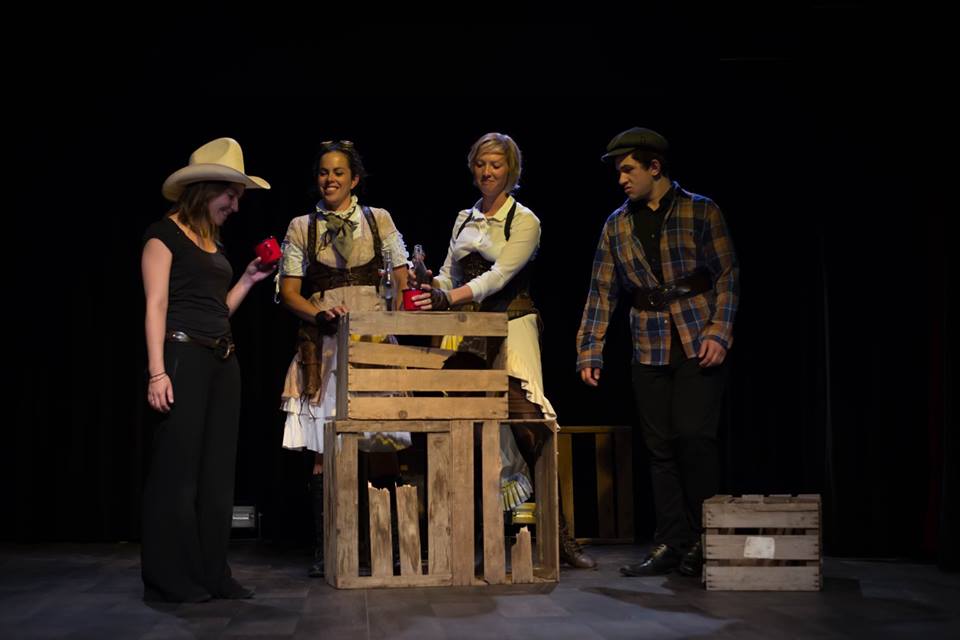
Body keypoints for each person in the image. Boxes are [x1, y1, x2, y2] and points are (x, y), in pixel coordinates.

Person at [415, 132, 596, 569]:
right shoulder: (464, 218)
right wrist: (426, 282)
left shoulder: (525, 220)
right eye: (480, 164)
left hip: (512, 325)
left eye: (495, 164)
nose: (487, 172)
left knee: (529, 425)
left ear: (511, 170)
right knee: (476, 431)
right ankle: (487, 538)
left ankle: (559, 536)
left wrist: (448, 296)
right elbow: (449, 273)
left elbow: (498, 277)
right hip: (467, 330)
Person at [576, 127, 739, 577]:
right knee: (659, 446)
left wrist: (720, 331)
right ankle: (671, 541)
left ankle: (707, 538)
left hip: (697, 336)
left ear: (655, 167)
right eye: (618, 171)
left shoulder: (700, 210)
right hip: (649, 342)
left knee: (694, 437)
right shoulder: (617, 224)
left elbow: (727, 274)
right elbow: (602, 291)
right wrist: (590, 350)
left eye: (628, 170)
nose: (621, 179)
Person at [141, 137, 274, 602]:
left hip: (222, 359)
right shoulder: (162, 236)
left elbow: (218, 310)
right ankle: (170, 577)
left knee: (217, 474)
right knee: (178, 472)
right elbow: (156, 305)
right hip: (182, 357)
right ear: (205, 189)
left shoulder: (212, 243)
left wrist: (249, 278)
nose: (235, 206)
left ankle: (213, 573)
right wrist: (157, 373)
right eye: (230, 195)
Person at [277, 140, 410, 578]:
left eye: (338, 172)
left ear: (354, 179)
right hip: (327, 347)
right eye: (323, 172)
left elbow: (402, 282)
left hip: (373, 343)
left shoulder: (378, 219)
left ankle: (389, 545)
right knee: (325, 451)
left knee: (383, 445)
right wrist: (319, 314)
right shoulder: (302, 226)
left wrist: (392, 314)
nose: (329, 179)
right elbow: (289, 292)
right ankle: (328, 547)